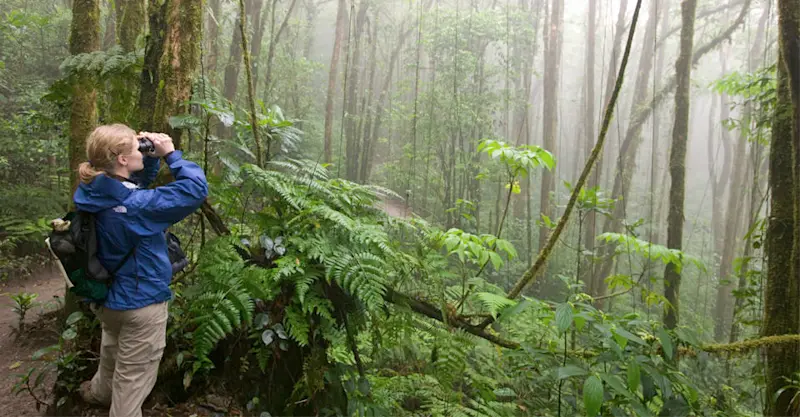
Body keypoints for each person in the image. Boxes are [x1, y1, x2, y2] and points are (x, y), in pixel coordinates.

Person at [74, 124, 208, 417]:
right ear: (121, 159)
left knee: (111, 351)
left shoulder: (92, 189)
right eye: (136, 149)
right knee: (132, 379)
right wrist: (172, 156)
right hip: (141, 303)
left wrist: (147, 156)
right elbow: (195, 190)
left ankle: (98, 393)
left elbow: (131, 188)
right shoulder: (136, 207)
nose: (141, 151)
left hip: (107, 297)